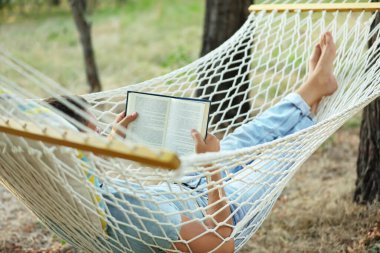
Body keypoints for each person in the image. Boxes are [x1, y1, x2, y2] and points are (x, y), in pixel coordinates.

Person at [46, 32, 337, 253]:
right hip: (222, 210)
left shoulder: (59, 185)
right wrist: (211, 167)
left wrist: (108, 146)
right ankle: (314, 97)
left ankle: (310, 90)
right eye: (94, 132)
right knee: (273, 156)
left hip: (185, 187)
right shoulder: (130, 213)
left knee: (245, 137)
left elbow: (81, 167)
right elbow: (221, 244)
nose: (101, 133)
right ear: (77, 148)